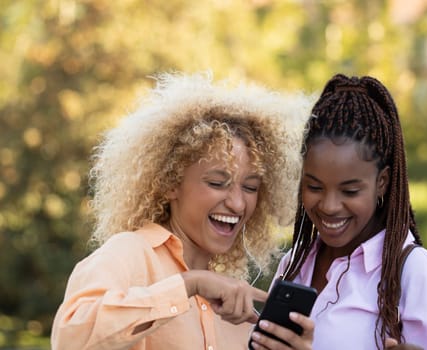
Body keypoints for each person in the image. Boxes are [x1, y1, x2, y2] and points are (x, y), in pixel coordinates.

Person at [51, 72, 314, 350]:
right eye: (217, 183)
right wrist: (189, 285)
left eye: (250, 187)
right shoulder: (129, 253)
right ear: (170, 184)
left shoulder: (236, 310)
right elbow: (69, 338)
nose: (238, 203)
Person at [270, 73, 427, 349]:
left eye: (349, 191)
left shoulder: (417, 273)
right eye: (314, 187)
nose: (329, 206)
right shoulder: (294, 264)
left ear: (381, 182)